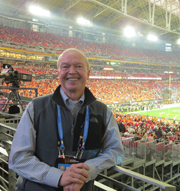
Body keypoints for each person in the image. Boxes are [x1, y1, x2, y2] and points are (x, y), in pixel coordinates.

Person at [9, 48, 124, 191]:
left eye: (79, 66)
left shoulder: (104, 112)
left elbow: (116, 152)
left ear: (88, 73)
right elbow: (18, 158)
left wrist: (87, 170)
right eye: (65, 66)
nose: (72, 71)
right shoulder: (36, 107)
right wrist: (57, 177)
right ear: (58, 73)